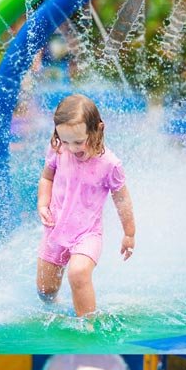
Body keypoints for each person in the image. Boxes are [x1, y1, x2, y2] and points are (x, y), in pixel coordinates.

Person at [36, 93, 135, 319]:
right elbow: (47, 177)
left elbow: (122, 199)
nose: (71, 148)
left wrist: (129, 233)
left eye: (78, 142)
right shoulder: (58, 148)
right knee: (45, 291)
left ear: (97, 129)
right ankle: (58, 306)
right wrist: (43, 203)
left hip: (87, 233)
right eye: (65, 141)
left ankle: (87, 326)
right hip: (55, 227)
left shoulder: (110, 164)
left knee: (78, 273)